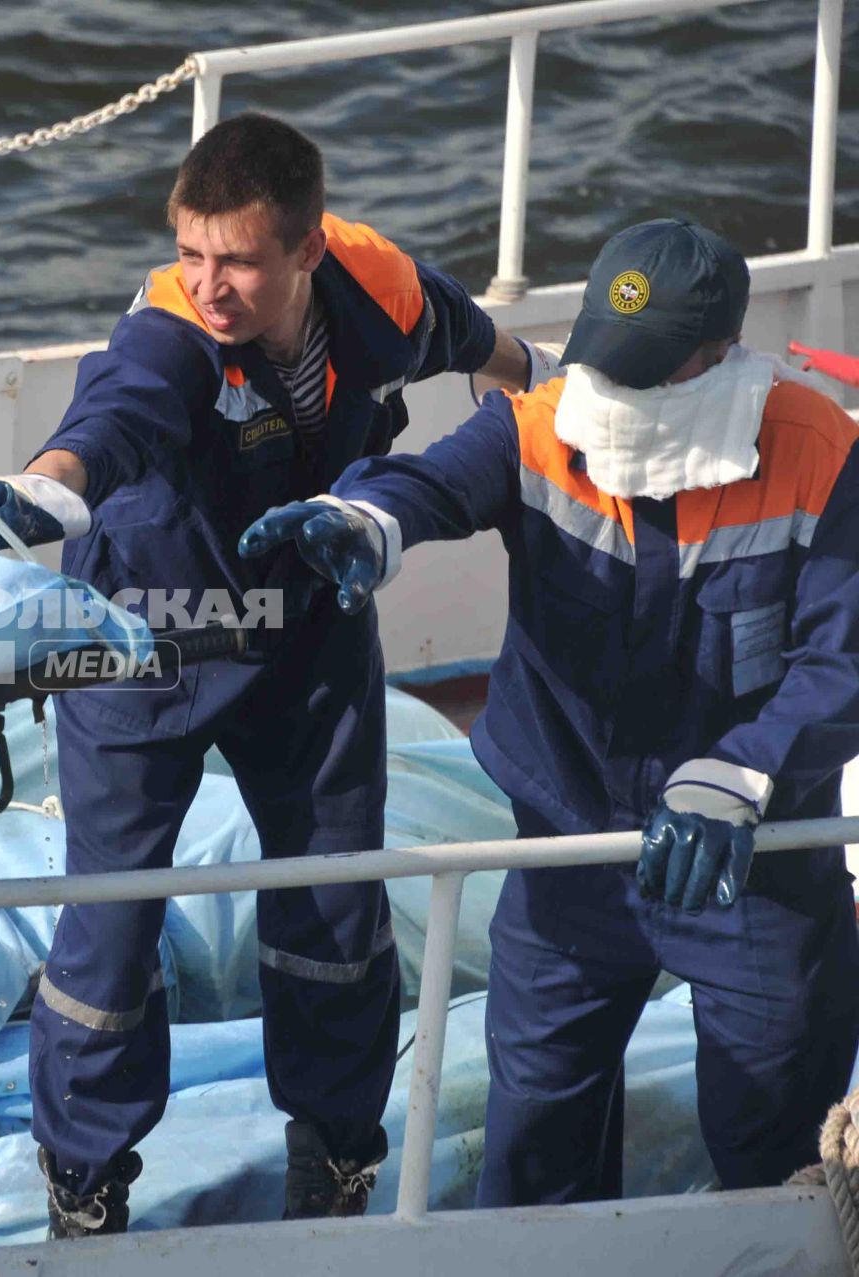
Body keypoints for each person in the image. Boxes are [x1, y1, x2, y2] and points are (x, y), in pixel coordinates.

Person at [0, 111, 546, 1235]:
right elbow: (110, 420)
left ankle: (338, 1150)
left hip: (305, 630)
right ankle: (89, 1180)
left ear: (308, 251)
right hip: (145, 641)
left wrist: (542, 386)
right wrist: (44, 490)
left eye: (239, 260)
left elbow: (460, 330)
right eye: (191, 252)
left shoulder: (377, 287)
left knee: (332, 897)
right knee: (111, 923)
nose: (208, 283)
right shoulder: (172, 332)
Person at [240, 218, 859, 1204]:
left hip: (756, 862)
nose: (616, 393)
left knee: (774, 1143)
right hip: (567, 849)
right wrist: (363, 517)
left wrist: (745, 769)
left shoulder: (821, 452)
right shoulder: (540, 423)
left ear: (718, 355)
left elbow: (844, 661)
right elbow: (431, 482)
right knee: (534, 1135)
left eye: (652, 370)